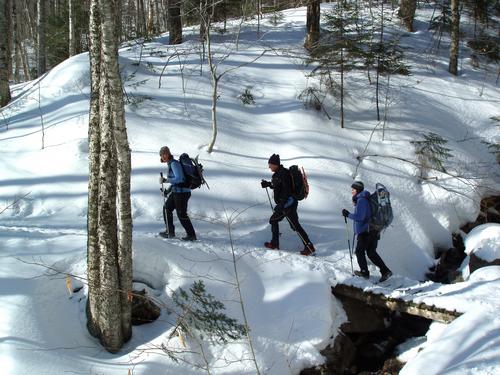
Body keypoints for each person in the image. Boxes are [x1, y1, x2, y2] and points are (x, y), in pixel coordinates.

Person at [261, 154, 315, 256]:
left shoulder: (283, 174)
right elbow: (278, 186)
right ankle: (309, 246)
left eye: (270, 164)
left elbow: (287, 190)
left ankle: (275, 244)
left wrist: (281, 205)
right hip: (289, 204)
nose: (269, 167)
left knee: (273, 220)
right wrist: (268, 184)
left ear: (276, 164)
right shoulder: (278, 173)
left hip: (287, 204)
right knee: (295, 225)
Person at [342, 181, 392, 282]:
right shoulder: (364, 200)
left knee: (360, 251)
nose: (352, 191)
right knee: (371, 252)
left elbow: (360, 217)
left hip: (366, 232)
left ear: (358, 190)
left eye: (353, 189)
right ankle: (385, 271)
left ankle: (364, 272)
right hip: (374, 230)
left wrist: (348, 214)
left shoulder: (362, 201)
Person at [159, 146, 197, 241]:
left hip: (182, 193)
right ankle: (170, 232)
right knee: (167, 208)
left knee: (181, 214)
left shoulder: (174, 164)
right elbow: (175, 182)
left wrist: (166, 180)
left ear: (168, 154)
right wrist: (167, 191)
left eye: (164, 154)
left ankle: (191, 235)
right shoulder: (170, 164)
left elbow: (179, 178)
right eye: (161, 154)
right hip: (177, 192)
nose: (163, 156)